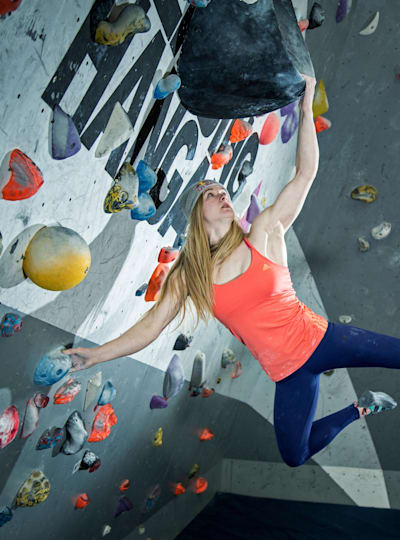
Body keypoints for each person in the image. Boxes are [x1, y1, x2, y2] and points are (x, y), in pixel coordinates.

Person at [64, 75, 397, 468]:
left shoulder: (265, 231)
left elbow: (304, 174)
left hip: (325, 340)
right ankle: (361, 409)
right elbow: (150, 328)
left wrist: (306, 108)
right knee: (294, 455)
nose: (222, 195)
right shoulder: (191, 275)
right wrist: (97, 356)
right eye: (211, 193)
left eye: (223, 191)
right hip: (289, 374)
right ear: (197, 214)